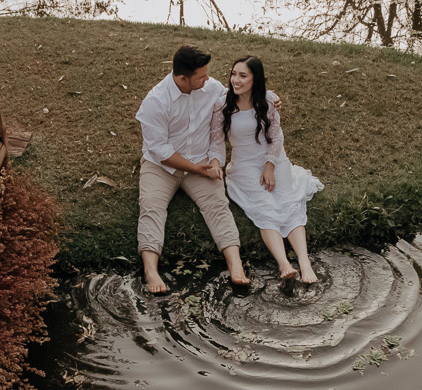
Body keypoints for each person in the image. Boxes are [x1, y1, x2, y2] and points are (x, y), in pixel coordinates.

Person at [135, 45, 250, 294]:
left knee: (218, 205)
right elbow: (160, 151)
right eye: (202, 76)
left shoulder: (211, 89)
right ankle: (151, 270)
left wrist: (270, 99)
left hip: (201, 161)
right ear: (182, 78)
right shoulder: (156, 101)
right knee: (151, 206)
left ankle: (236, 265)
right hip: (160, 167)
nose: (207, 79)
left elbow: (239, 98)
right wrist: (195, 169)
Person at [209, 56, 324, 284]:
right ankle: (284, 264)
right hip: (244, 163)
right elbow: (215, 141)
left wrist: (270, 165)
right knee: (265, 205)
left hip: (273, 158)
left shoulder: (268, 100)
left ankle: (304, 262)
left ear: (256, 78)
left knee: (287, 201)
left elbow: (276, 136)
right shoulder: (222, 104)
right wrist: (215, 163)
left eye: (243, 75)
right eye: (233, 74)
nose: (236, 80)